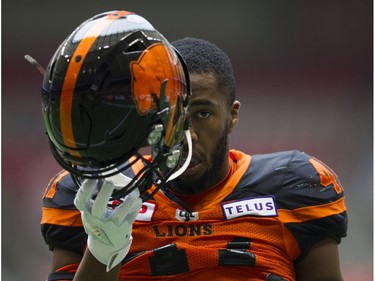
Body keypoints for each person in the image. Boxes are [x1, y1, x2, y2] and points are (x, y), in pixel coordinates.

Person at [40, 10, 348, 281]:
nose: (188, 132)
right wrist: (103, 249)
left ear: (232, 116)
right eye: (176, 113)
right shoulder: (98, 192)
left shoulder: (292, 185)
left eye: (202, 113)